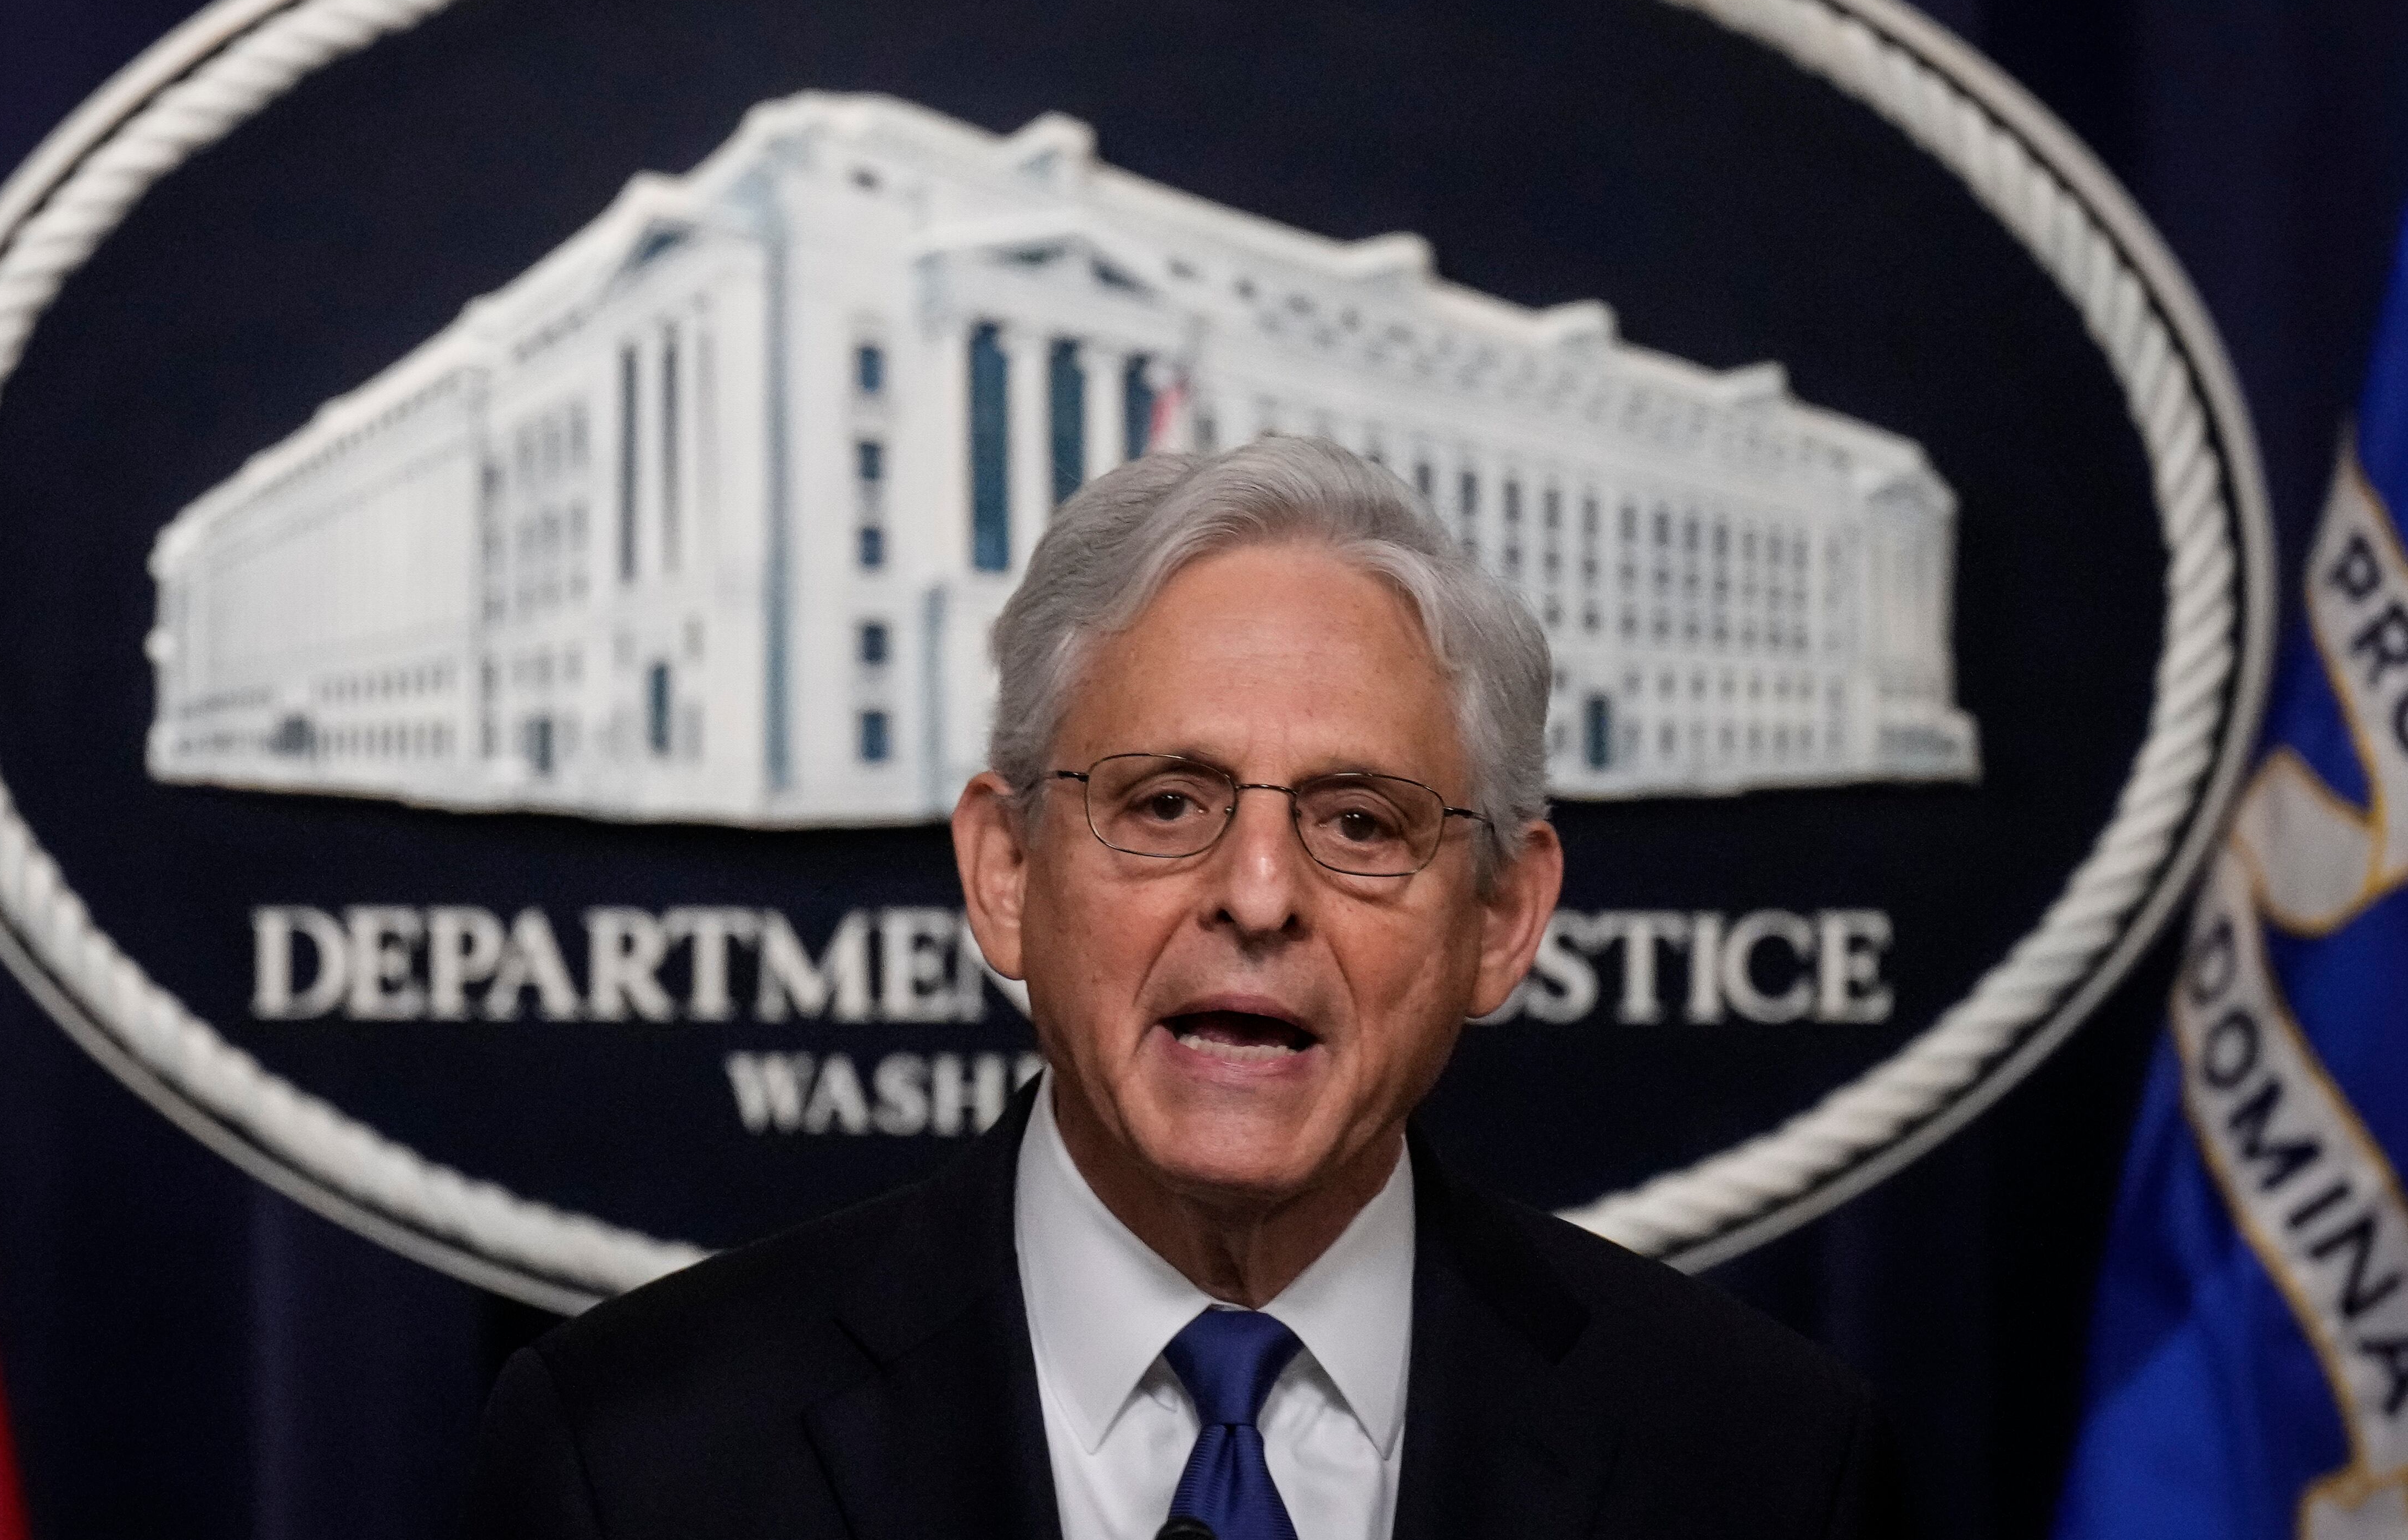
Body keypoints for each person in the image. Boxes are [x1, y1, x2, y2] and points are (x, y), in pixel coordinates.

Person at [471, 436, 1888, 1539]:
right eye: (1162, 805)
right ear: (1007, 873)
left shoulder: (1758, 1465)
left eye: (1359, 822)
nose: (1259, 896)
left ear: (1503, 917)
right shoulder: (638, 1460)